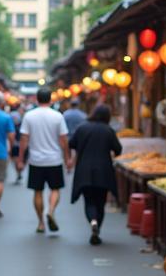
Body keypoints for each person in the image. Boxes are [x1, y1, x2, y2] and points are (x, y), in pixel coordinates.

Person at [16, 86, 72, 234]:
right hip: (54, 159)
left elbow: (24, 139)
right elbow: (63, 140)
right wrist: (68, 158)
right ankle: (51, 211)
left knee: (38, 191)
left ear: (37, 99)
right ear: (50, 99)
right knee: (55, 189)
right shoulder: (57, 116)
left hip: (36, 160)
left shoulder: (29, 116)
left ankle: (41, 222)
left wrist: (21, 159)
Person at [69, 103, 123, 245]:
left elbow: (72, 143)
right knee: (101, 201)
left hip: (84, 170)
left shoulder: (82, 128)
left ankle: (92, 221)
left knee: (89, 200)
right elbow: (118, 149)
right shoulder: (108, 130)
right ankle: (97, 224)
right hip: (104, 170)